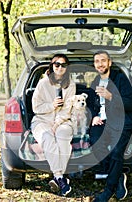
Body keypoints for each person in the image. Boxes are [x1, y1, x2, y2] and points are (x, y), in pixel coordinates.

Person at [88, 50, 132, 201]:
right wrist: (93, 116)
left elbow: (130, 104)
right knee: (96, 144)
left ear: (109, 62)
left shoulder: (120, 78)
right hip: (102, 122)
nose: (100, 64)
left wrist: (111, 96)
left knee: (116, 152)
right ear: (94, 65)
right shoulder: (95, 81)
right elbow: (91, 104)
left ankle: (108, 190)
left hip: (120, 122)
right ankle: (118, 175)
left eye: (103, 60)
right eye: (97, 61)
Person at [30, 53, 76, 196]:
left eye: (63, 65)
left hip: (63, 121)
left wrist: (57, 124)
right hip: (41, 121)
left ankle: (58, 178)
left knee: (63, 136)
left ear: (67, 68)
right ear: (52, 66)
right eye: (57, 64)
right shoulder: (43, 83)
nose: (60, 67)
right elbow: (36, 108)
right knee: (48, 137)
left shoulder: (71, 85)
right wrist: (52, 105)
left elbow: (68, 109)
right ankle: (60, 177)